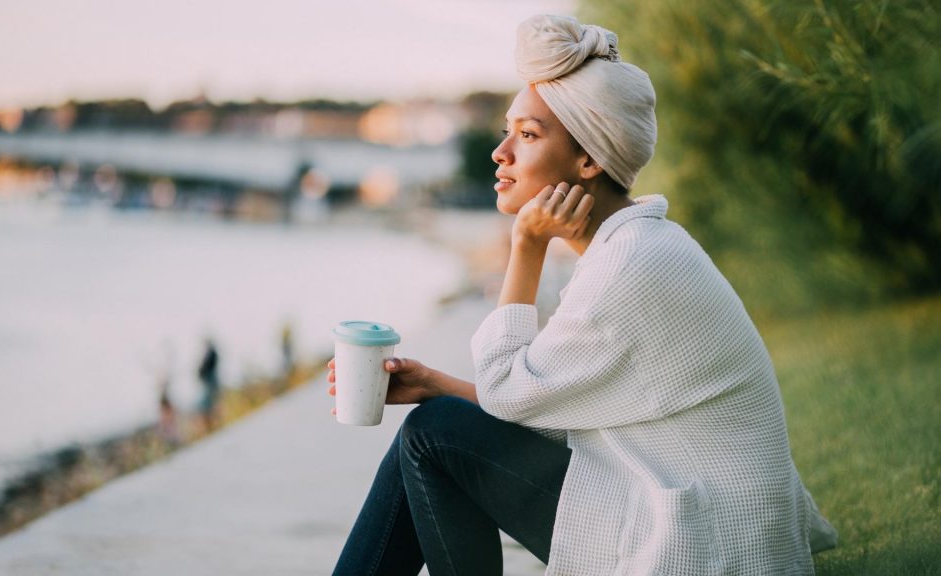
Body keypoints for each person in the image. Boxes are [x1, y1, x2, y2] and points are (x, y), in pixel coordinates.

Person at [327, 14, 837, 576]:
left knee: (431, 436)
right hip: (695, 510)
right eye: (507, 130)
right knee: (432, 431)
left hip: (710, 544)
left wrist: (525, 246)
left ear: (589, 159)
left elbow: (507, 392)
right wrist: (432, 384)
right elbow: (547, 408)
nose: (501, 153)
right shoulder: (636, 245)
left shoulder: (631, 265)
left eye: (527, 135)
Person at [197, 337, 220, 432]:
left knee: (210, 403)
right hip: (208, 381)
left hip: (210, 381)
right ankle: (212, 424)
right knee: (209, 403)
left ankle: (213, 424)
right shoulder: (209, 354)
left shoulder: (211, 353)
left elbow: (205, 368)